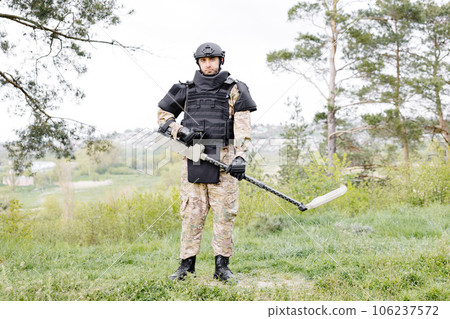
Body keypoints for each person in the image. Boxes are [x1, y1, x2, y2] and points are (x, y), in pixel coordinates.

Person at [157, 42, 257, 283]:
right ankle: (186, 267)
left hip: (224, 158)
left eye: (213, 59)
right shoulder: (185, 89)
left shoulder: (235, 89)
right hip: (193, 157)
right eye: (204, 60)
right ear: (198, 62)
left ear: (221, 61)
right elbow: (163, 116)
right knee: (192, 213)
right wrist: (179, 130)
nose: (208, 63)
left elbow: (242, 127)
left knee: (224, 215)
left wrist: (240, 157)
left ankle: (222, 267)